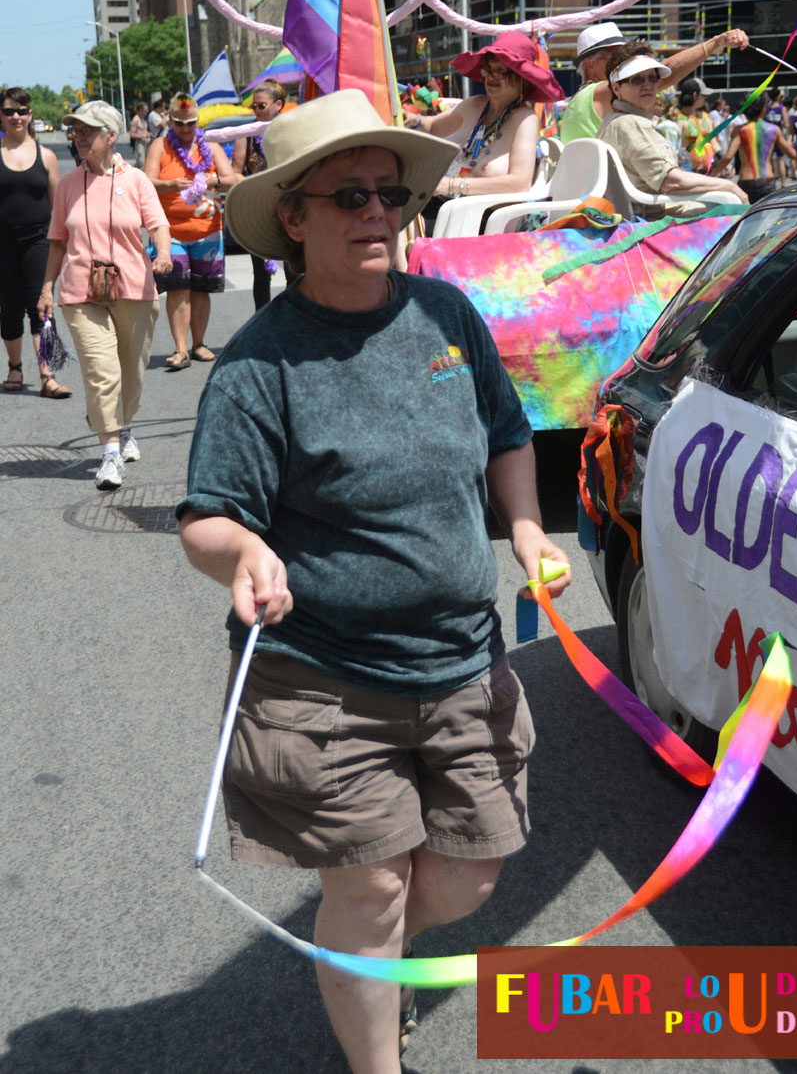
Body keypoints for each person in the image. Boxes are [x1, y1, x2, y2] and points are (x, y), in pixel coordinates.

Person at [177, 88, 572, 1073]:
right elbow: (206, 517)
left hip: (461, 665)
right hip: (322, 682)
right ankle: (373, 1049)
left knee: (465, 879)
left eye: (387, 193)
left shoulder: (444, 312)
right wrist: (246, 552)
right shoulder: (259, 364)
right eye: (344, 196)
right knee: (373, 889)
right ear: (294, 220)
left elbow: (508, 433)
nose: (372, 213)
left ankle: (366, 933)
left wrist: (524, 529)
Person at [36, 101, 174, 489]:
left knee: (130, 373)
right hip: (81, 291)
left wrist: (162, 254)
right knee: (101, 372)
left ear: (111, 136)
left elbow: (158, 225)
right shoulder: (67, 184)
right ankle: (110, 452)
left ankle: (123, 425)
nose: (79, 138)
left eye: (87, 131)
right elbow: (58, 242)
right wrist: (47, 288)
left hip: (135, 287)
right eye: (76, 131)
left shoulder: (136, 181)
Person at [402, 30, 563, 233]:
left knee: (402, 230)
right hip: (444, 209)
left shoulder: (525, 119)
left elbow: (519, 183)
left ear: (522, 78)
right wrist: (411, 119)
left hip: (481, 223)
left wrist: (451, 185)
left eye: (501, 72)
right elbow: (433, 126)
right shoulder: (474, 105)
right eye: (488, 70)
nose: (490, 78)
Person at [143, 92, 238, 370]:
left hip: (207, 230)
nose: (186, 129)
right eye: (179, 123)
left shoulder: (211, 145)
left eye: (191, 123)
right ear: (170, 120)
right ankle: (180, 348)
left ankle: (199, 343)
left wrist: (215, 179)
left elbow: (232, 179)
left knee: (200, 290)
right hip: (169, 231)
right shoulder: (160, 146)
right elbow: (146, 180)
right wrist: (171, 185)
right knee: (178, 288)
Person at [598, 43, 749, 209]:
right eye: (637, 79)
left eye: (653, 77)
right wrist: (730, 186)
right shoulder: (630, 123)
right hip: (658, 219)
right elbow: (670, 182)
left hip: (651, 211)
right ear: (616, 87)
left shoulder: (613, 120)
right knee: (736, 207)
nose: (648, 85)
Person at [560, 21, 751, 142]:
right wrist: (716, 42)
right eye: (614, 57)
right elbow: (664, 74)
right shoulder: (599, 92)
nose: (623, 63)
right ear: (590, 65)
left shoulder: (582, 98)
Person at [0, 87, 68, 397]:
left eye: (21, 110)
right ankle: (15, 367)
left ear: (31, 115)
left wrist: (62, 247)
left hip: (38, 242)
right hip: (3, 245)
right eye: (8, 111)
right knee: (9, 309)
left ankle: (47, 374)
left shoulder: (47, 156)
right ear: (0, 116)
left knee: (40, 306)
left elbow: (57, 210)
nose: (16, 116)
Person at [231, 79, 287, 310]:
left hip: (288, 206)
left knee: (295, 271)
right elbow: (235, 171)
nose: (256, 111)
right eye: (253, 107)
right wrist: (252, 189)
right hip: (258, 210)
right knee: (261, 274)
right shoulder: (246, 134)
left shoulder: (290, 129)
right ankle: (262, 321)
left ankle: (295, 321)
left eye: (261, 106)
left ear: (278, 105)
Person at [712, 93, 797, 203]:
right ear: (763, 109)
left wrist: (713, 175)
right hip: (767, 181)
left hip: (746, 182)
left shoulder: (740, 130)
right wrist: (790, 140)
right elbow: (792, 155)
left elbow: (728, 157)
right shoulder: (774, 129)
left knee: (746, 217)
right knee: (767, 218)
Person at [676, 78, 718, 172]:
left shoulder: (705, 117)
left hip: (710, 170)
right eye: (703, 95)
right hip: (690, 172)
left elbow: (714, 143)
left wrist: (724, 160)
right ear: (695, 95)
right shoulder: (679, 120)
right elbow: (676, 149)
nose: (705, 98)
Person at [765, 87, 790, 186]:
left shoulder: (767, 108)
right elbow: (786, 124)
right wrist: (784, 135)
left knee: (770, 161)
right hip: (778, 136)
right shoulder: (782, 108)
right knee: (781, 161)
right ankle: (783, 184)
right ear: (778, 97)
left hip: (768, 136)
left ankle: (772, 182)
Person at [129, 102, 151, 170]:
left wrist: (148, 133)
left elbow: (143, 130)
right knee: (141, 163)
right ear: (141, 109)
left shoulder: (143, 118)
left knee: (145, 163)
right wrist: (144, 135)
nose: (147, 111)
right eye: (146, 109)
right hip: (140, 143)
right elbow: (131, 134)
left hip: (146, 143)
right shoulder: (136, 119)